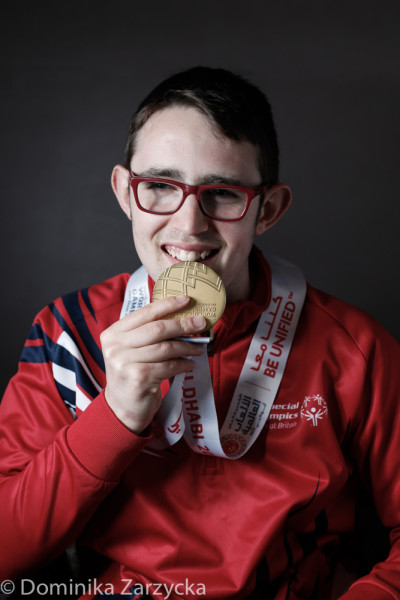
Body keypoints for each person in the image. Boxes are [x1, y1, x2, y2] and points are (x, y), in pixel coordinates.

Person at [0, 66, 399, 600]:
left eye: (223, 193)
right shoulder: (67, 333)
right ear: (124, 192)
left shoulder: (356, 347)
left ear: (268, 209)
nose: (189, 225)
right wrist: (113, 417)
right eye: (160, 187)